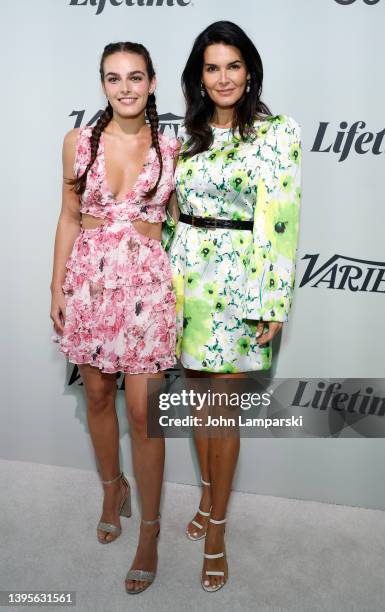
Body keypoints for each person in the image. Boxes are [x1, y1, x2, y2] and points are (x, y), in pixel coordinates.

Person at [168, 21, 301, 592]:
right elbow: (172, 214)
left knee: (222, 412)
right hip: (187, 283)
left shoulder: (277, 133)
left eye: (233, 66)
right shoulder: (186, 136)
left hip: (242, 285)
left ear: (250, 72)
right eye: (211, 67)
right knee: (200, 406)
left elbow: (281, 220)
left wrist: (275, 299)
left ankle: (218, 529)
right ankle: (206, 496)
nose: (223, 77)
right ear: (199, 76)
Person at [50, 42, 178, 595]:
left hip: (147, 290)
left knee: (144, 415)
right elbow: (68, 216)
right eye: (113, 78)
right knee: (97, 397)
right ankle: (111, 487)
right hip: (89, 286)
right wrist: (57, 284)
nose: (125, 87)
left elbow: (185, 225)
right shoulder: (78, 143)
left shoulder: (173, 149)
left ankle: (150, 531)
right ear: (102, 85)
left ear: (152, 83)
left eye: (135, 77)